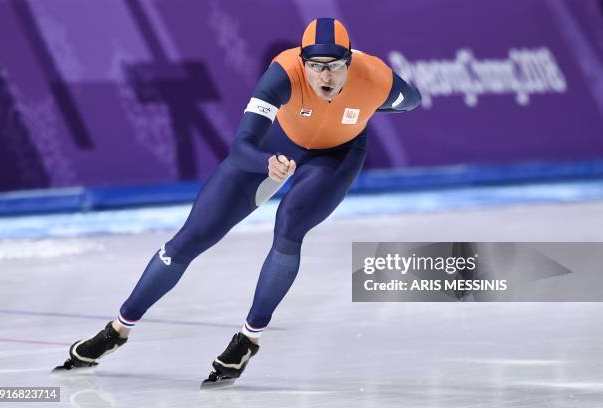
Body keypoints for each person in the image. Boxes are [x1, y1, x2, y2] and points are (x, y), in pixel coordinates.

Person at [54, 17, 421, 384]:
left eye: (334, 67)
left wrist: (364, 108)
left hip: (337, 156)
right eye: (315, 66)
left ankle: (248, 338)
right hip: (277, 148)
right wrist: (267, 163)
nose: (325, 77)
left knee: (289, 226)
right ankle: (118, 329)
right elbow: (242, 144)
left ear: (349, 63)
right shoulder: (283, 72)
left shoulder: (376, 78)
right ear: (302, 61)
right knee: (189, 238)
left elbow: (411, 101)